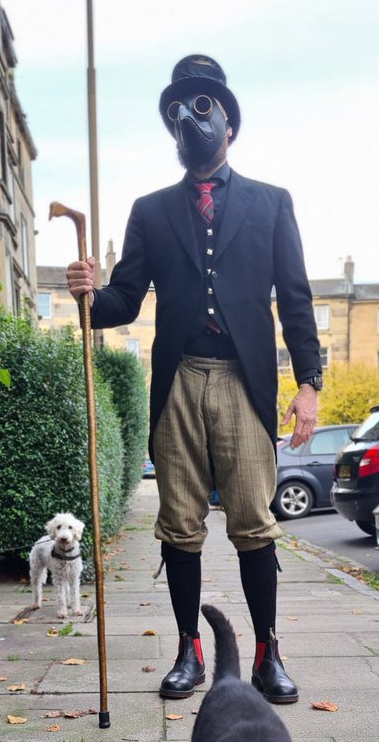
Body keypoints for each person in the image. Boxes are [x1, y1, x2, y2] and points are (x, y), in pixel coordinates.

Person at [67, 54, 323, 704]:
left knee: (253, 521)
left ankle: (266, 653)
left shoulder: (271, 203)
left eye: (203, 106)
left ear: (229, 123)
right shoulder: (150, 211)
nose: (190, 119)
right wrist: (88, 294)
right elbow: (125, 301)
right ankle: (189, 649)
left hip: (244, 381)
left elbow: (295, 299)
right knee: (179, 522)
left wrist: (308, 384)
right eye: (177, 111)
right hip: (178, 380)